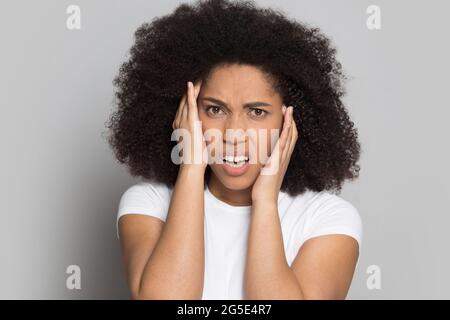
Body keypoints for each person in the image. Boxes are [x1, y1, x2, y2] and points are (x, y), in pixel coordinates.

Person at [106, 0, 362, 299]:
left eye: (256, 112)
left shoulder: (326, 217)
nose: (234, 134)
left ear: (289, 119)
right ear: (185, 113)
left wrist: (265, 202)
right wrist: (190, 167)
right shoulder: (150, 204)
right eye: (215, 109)